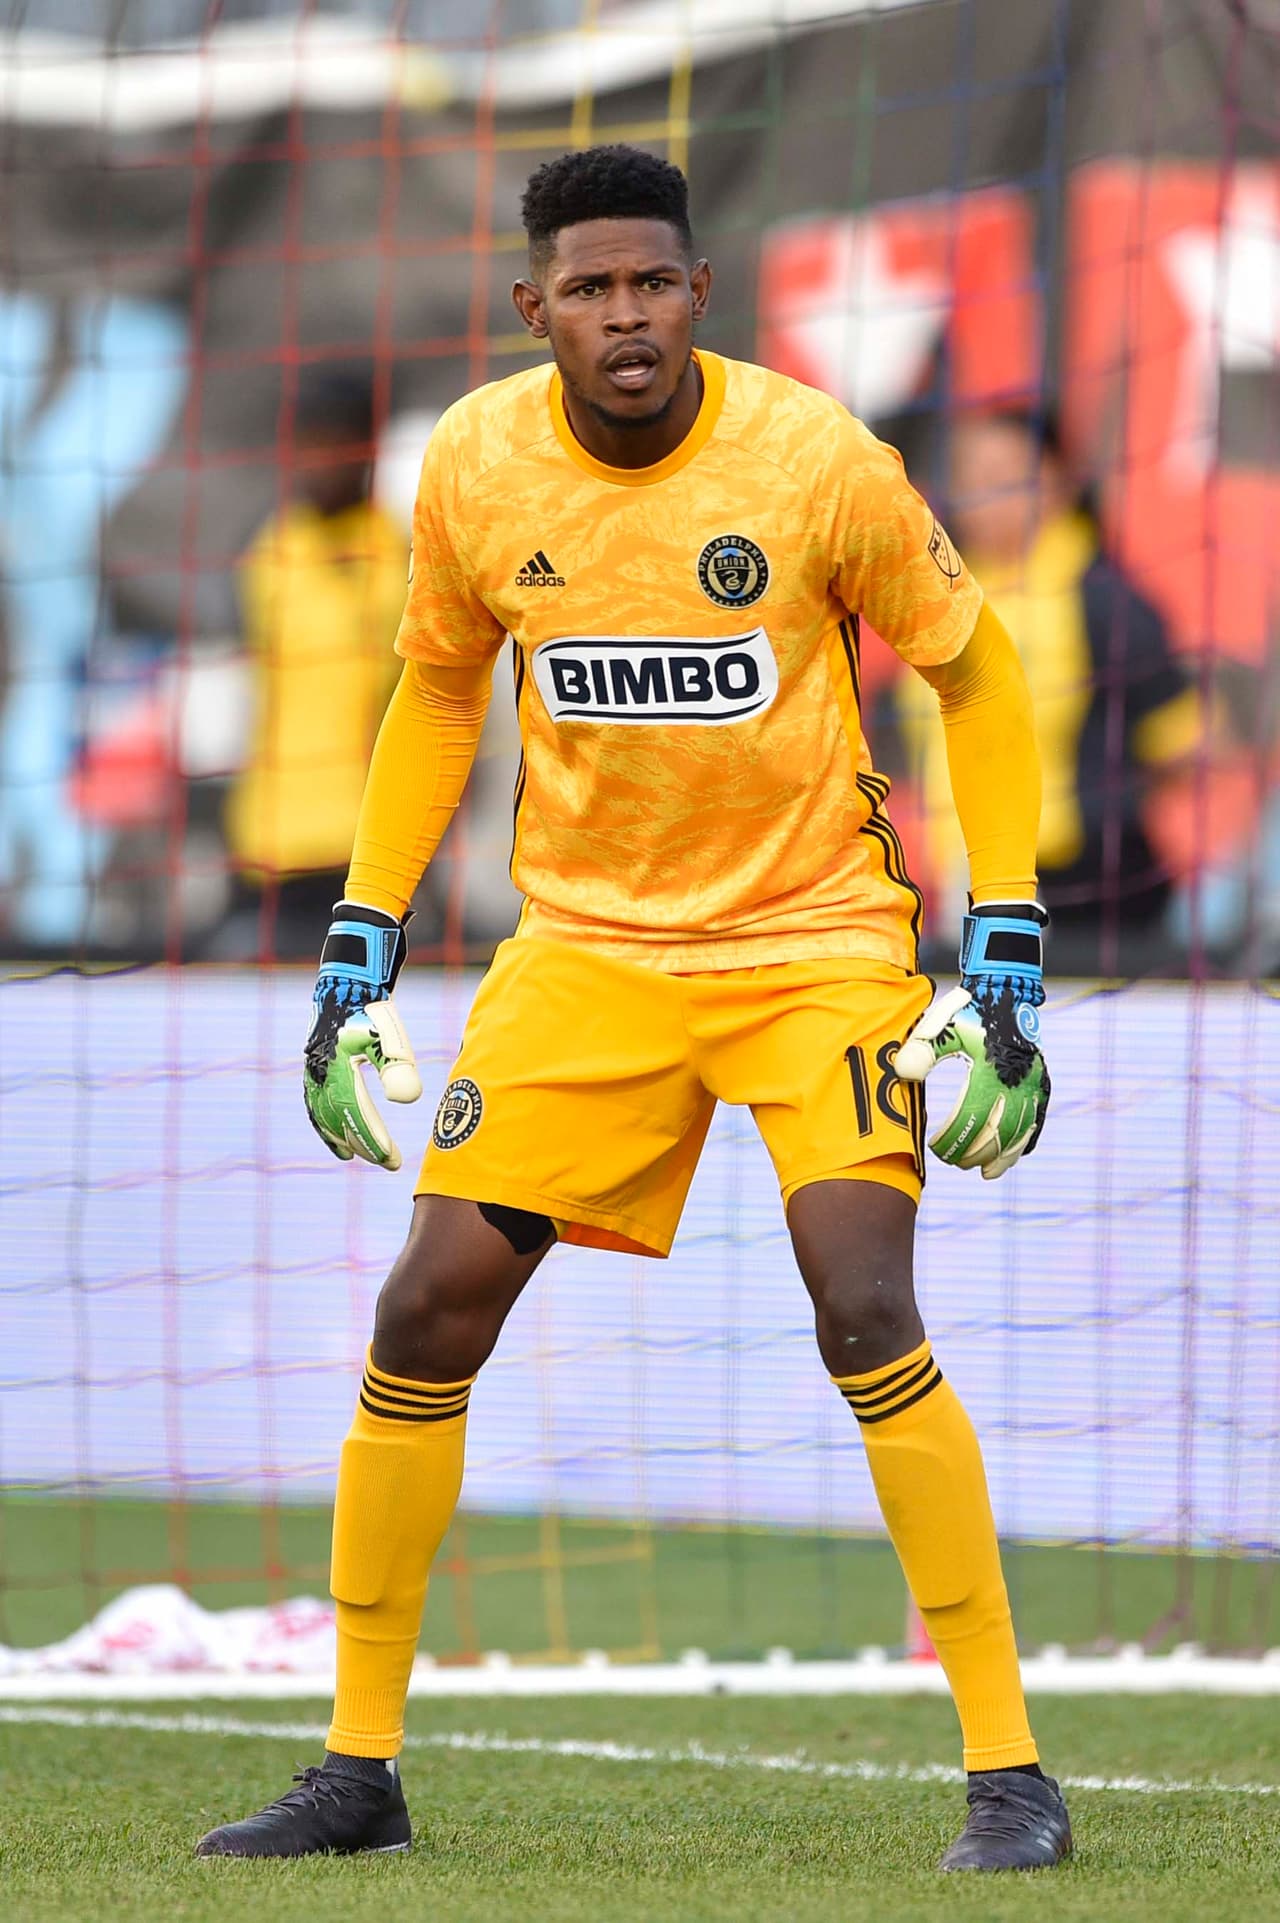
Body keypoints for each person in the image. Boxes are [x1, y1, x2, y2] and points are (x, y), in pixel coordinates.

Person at [196, 145, 1069, 1873]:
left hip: (815, 941)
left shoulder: (816, 459)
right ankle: (358, 1767)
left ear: (699, 292)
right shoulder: (475, 462)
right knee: (424, 1311)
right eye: (591, 288)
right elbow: (436, 690)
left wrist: (1010, 944)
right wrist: (362, 935)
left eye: (653, 282)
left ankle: (1010, 1771)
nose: (627, 315)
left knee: (863, 1304)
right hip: (586, 951)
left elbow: (976, 675)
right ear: (537, 308)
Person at [895, 406, 1209, 974]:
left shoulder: (1102, 595)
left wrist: (1103, 786)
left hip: (1088, 890)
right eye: (967, 476)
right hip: (968, 877)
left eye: (1002, 476)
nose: (981, 496)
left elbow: (1186, 743)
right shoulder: (943, 590)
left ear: (1056, 482)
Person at [220, 367, 407, 957]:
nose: (317, 460)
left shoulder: (401, 555)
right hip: (266, 843)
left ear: (366, 446)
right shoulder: (270, 552)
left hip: (366, 848)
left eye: (333, 442)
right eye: (307, 442)